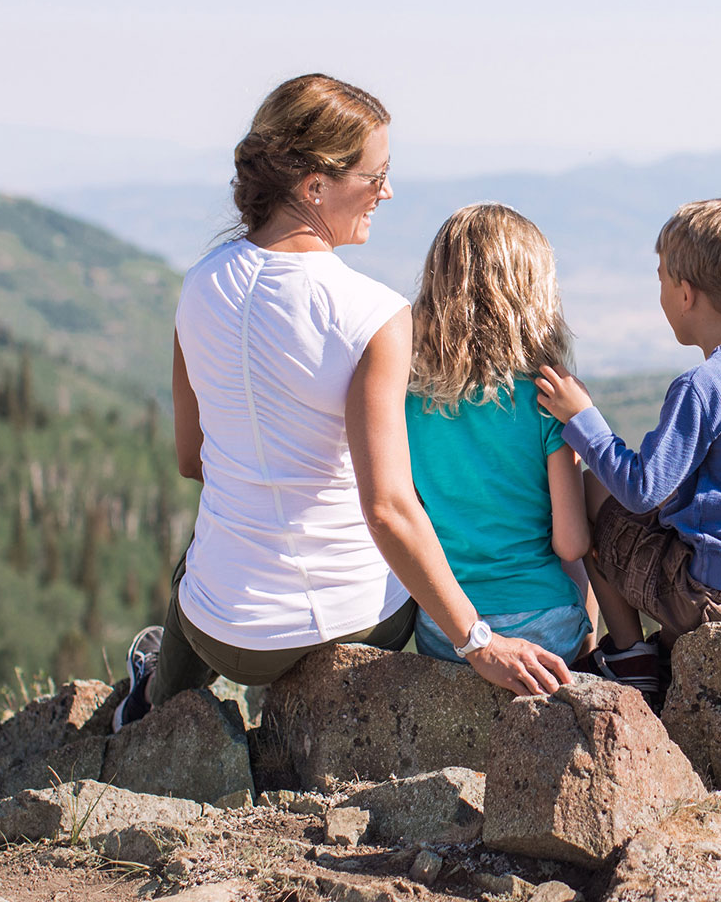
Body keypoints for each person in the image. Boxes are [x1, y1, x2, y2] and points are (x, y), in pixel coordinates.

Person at [112, 74, 570, 730]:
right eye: (374, 176)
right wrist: (480, 642)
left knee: (209, 535)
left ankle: (157, 703)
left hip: (224, 636)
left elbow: (193, 459)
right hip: (354, 626)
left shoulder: (198, 286)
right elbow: (387, 510)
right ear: (315, 186)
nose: (387, 191)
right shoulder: (376, 315)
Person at [533, 196, 721, 702]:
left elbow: (643, 491)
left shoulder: (703, 385)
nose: (663, 293)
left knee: (594, 488)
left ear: (685, 294)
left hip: (716, 601)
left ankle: (631, 654)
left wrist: (581, 418)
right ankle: (662, 647)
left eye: (663, 279)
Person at [404, 203, 595, 665]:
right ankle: (596, 661)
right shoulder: (549, 398)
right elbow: (571, 544)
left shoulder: (407, 402)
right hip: (548, 626)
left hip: (448, 632)